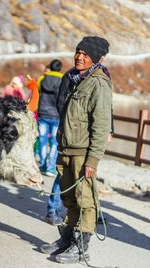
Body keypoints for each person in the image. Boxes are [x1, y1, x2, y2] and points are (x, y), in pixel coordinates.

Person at [40, 36, 112, 264]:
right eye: (78, 52)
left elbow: (101, 125)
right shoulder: (77, 78)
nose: (79, 57)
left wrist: (92, 160)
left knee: (85, 200)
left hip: (83, 154)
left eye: (86, 54)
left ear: (97, 58)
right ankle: (67, 239)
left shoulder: (98, 83)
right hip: (67, 149)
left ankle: (81, 248)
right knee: (69, 197)